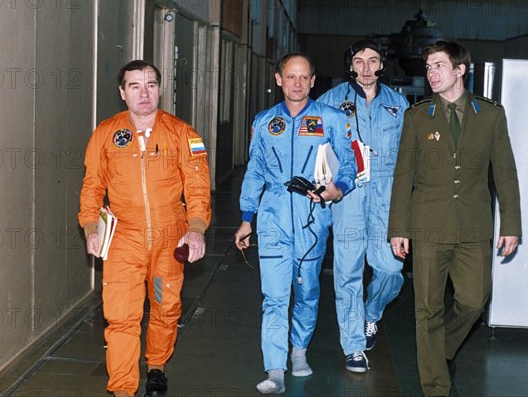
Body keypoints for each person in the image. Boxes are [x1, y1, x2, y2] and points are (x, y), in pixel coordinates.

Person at [388, 40, 521, 397]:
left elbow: (505, 173)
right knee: (427, 310)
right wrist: (398, 228)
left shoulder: (491, 114)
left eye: (439, 66)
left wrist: (510, 224)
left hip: (474, 227)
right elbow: (403, 176)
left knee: (475, 300)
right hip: (428, 226)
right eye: (429, 67)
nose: (431, 73)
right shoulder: (417, 117)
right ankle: (436, 387)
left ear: (460, 70)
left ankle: (441, 349)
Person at [78, 60, 211, 397]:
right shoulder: (106, 134)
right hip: (123, 238)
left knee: (165, 307)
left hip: (169, 238)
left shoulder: (183, 133)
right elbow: (92, 187)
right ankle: (122, 388)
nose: (144, 93)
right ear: (122, 92)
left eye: (151, 84)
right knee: (121, 315)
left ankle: (156, 366)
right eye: (134, 86)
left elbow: (197, 188)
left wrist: (195, 228)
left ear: (160, 89)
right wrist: (92, 227)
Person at [234, 53, 357, 394]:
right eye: (291, 77)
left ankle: (299, 350)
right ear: (279, 79)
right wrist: (248, 219)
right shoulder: (264, 122)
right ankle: (274, 369)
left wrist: (336, 189)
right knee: (274, 297)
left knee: (306, 291)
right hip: (273, 216)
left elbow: (348, 162)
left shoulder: (331, 118)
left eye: (304, 77)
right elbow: (255, 170)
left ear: (313, 81)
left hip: (312, 217)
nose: (297, 84)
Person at [317, 39, 409, 373]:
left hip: (385, 197)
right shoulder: (331, 100)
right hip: (348, 197)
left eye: (373, 61)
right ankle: (353, 346)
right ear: (350, 65)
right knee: (348, 275)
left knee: (391, 270)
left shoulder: (398, 105)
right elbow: (316, 146)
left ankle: (372, 313)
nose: (366, 68)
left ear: (382, 64)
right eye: (359, 61)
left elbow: (407, 157)